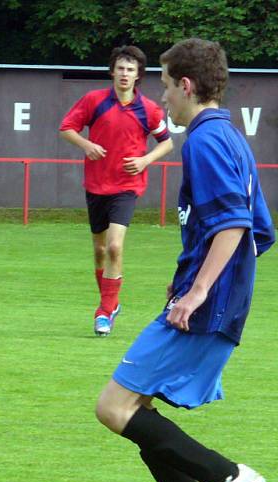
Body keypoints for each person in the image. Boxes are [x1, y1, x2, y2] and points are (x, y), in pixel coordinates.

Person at [94, 38, 276, 482]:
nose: (163, 96)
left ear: (186, 86)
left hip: (208, 303)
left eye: (166, 85)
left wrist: (199, 290)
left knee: (114, 406)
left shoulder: (204, 139)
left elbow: (237, 225)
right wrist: (192, 275)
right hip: (212, 297)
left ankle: (230, 478)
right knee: (139, 404)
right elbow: (258, 230)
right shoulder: (228, 136)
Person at [59, 45, 174, 336]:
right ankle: (110, 302)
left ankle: (104, 311)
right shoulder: (94, 100)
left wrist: (145, 159)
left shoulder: (148, 109)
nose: (125, 74)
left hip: (127, 185)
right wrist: (86, 145)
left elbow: (167, 142)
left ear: (138, 76)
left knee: (114, 246)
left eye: (131, 70)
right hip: (96, 185)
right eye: (120, 68)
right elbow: (67, 128)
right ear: (112, 71)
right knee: (99, 250)